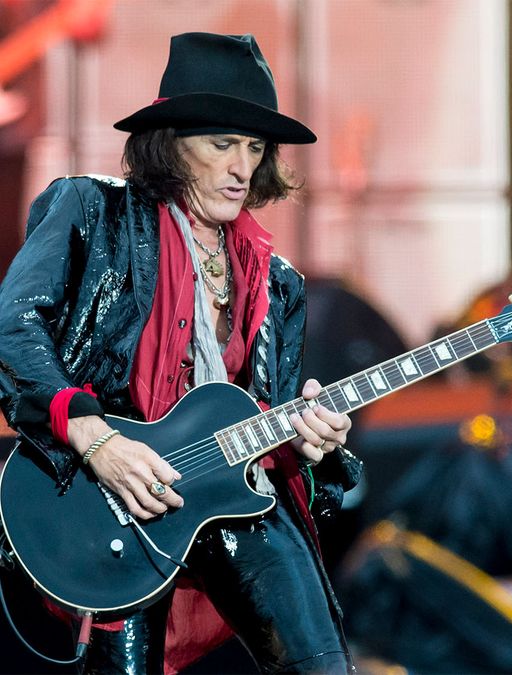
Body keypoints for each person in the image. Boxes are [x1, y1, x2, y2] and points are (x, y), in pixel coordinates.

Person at [0, 33, 360, 673]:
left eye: (254, 148)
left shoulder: (279, 283)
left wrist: (312, 441)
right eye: (221, 144)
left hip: (229, 496)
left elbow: (265, 414)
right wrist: (97, 440)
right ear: (170, 144)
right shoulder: (92, 210)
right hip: (110, 495)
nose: (241, 168)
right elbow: (12, 324)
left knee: (323, 665)